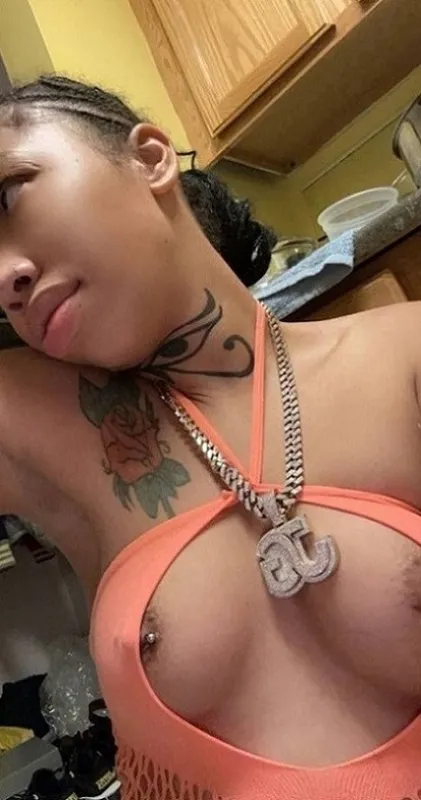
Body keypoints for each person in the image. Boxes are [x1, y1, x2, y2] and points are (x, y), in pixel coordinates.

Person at [0, 75, 419, 800]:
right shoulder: (40, 425)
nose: (5, 275)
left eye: (7, 198)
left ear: (151, 158)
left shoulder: (402, 356)